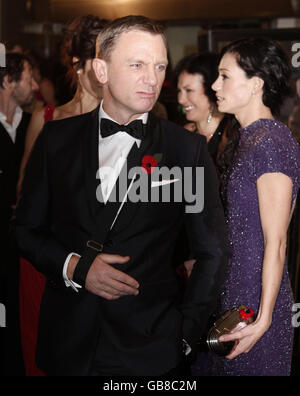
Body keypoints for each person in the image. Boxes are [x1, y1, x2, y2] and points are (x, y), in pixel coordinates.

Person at [14, 15, 230, 376]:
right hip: (67, 343)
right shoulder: (56, 140)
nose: (153, 79)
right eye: (137, 65)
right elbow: (24, 229)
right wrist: (76, 267)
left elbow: (212, 251)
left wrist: (185, 334)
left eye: (160, 65)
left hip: (150, 348)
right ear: (101, 69)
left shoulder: (185, 150)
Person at [201, 37, 300, 376]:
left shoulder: (271, 141)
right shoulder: (249, 139)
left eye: (225, 76)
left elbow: (278, 241)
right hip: (235, 293)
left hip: (255, 300)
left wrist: (264, 319)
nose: (214, 85)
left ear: (256, 84)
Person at [17, 15, 107, 376]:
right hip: (50, 258)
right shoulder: (48, 118)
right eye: (98, 63)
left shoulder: (119, 120)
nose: (104, 73)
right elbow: (25, 196)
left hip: (100, 262)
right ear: (78, 64)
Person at [0, 52, 38, 374]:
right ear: (7, 82)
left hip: (24, 242)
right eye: (28, 79)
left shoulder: (31, 124)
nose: (35, 86)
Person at [175, 53, 232, 165]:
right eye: (179, 91)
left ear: (210, 89)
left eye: (189, 90)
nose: (181, 100)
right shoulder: (185, 133)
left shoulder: (231, 132)